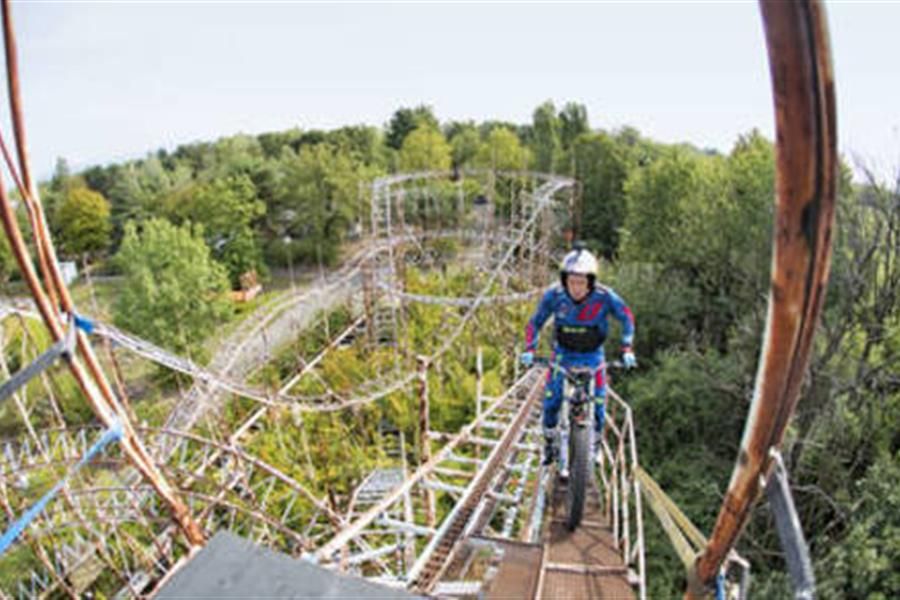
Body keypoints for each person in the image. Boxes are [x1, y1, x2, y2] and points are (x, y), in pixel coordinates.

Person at [520, 246, 636, 468]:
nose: (576, 288)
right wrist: (529, 349)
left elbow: (627, 317)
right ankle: (551, 442)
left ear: (591, 282)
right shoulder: (554, 296)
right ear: (564, 280)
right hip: (563, 355)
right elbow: (535, 322)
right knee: (551, 402)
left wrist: (627, 347)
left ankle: (596, 442)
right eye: (572, 281)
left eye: (581, 282)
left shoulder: (604, 297)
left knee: (600, 403)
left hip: (594, 356)